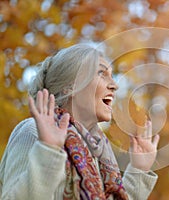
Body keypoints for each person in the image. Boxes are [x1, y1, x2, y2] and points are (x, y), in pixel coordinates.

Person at [0, 43, 160, 200]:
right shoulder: (33, 131)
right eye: (101, 74)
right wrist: (48, 150)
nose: (114, 85)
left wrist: (139, 170)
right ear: (70, 86)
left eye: (111, 76)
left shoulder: (98, 153)